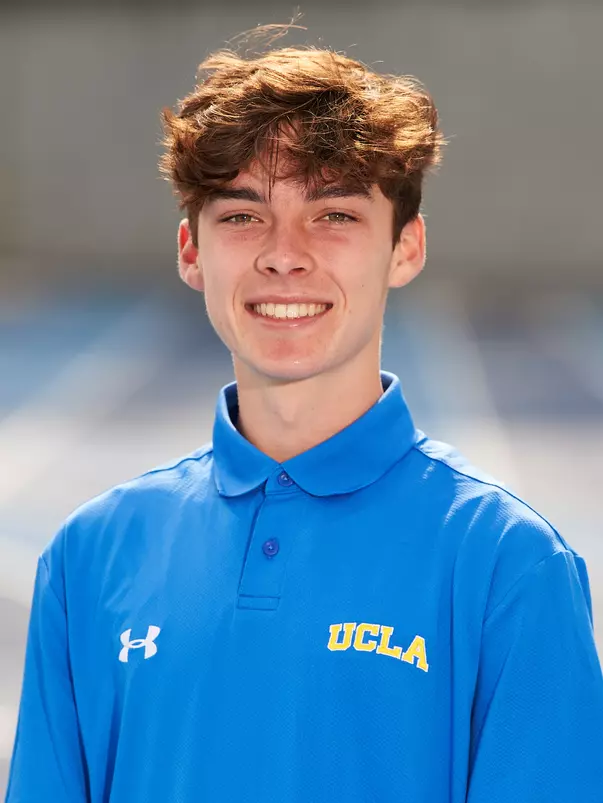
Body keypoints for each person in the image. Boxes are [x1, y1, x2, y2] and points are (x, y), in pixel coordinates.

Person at [6, 29, 603, 803]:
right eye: (242, 216)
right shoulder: (91, 555)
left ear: (405, 248)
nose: (284, 254)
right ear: (191, 250)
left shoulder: (506, 563)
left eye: (333, 216)